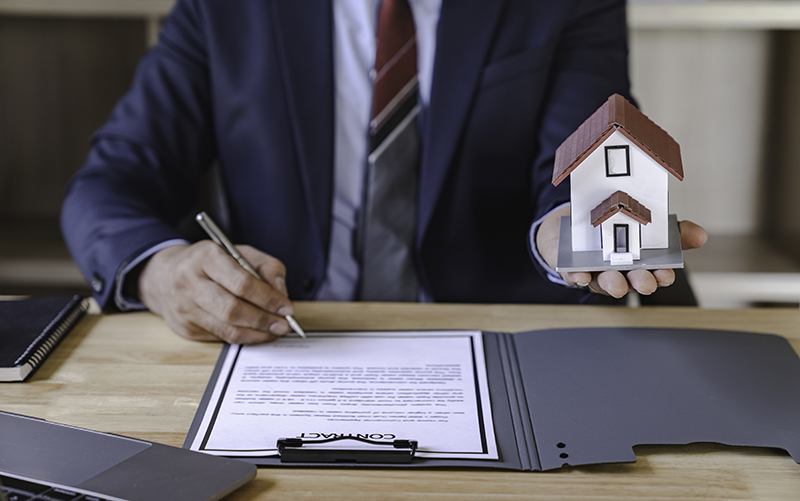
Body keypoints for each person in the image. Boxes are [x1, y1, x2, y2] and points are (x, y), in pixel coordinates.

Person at [60, 0, 707, 344]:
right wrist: (162, 268)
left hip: (500, 336)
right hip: (287, 336)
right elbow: (112, 183)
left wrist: (563, 226)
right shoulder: (226, 7)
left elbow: (586, 142)